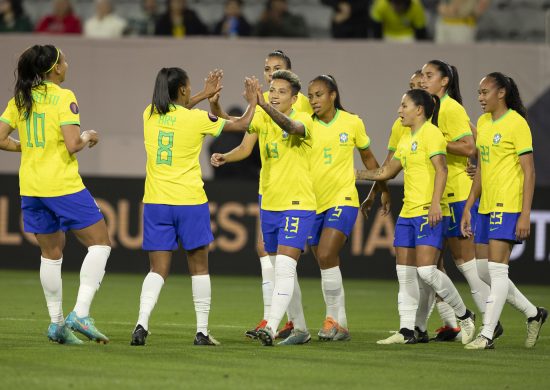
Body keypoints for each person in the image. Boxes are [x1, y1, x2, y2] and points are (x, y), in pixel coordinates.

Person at [130, 68, 259, 347]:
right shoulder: (198, 119)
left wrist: (203, 94)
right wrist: (253, 101)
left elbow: (177, 108)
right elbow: (242, 125)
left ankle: (141, 324)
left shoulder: (148, 114)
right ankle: (201, 332)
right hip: (189, 202)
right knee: (199, 268)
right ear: (184, 90)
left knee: (157, 269)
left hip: (156, 202)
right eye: (189, 88)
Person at [0, 45, 111, 345]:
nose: (67, 63)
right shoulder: (64, 96)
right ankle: (81, 314)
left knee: (51, 254)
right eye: (64, 59)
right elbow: (73, 143)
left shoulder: (20, 99)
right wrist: (89, 135)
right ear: (55, 69)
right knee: (101, 243)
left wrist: (29, 146)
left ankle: (57, 324)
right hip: (60, 184)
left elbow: (0, 138)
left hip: (31, 187)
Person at [356, 89, 476, 345]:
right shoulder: (406, 137)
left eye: (404, 105)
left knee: (428, 272)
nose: (399, 110)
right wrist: (354, 174)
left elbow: (441, 169)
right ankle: (407, 330)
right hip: (408, 213)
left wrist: (435, 205)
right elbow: (387, 171)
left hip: (428, 212)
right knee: (406, 274)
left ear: (419, 110)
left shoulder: (431, 133)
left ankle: (465, 315)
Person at [210, 50, 312, 341]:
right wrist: (225, 154)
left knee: (284, 264)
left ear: (293, 93)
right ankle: (298, 326)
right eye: (268, 72)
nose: (271, 78)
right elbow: (239, 128)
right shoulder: (266, 109)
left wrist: (265, 103)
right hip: (270, 198)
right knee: (275, 261)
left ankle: (271, 323)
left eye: (278, 73)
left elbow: (292, 126)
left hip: (299, 199)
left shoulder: (303, 111)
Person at [461, 72, 547, 349]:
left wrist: (524, 214)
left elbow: (529, 172)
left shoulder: (517, 123)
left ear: (501, 93)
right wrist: (468, 206)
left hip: (508, 204)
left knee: (497, 271)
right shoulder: (484, 124)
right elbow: (482, 169)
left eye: (485, 92)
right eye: (479, 92)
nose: (480, 97)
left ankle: (487, 335)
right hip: (485, 206)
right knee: (485, 271)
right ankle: (533, 313)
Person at [307, 75, 390, 341]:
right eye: (310, 96)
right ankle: (340, 323)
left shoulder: (352, 122)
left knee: (327, 253)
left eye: (318, 94)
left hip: (343, 198)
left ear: (332, 95)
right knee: (323, 261)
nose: (313, 100)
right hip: (312, 202)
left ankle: (332, 320)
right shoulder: (305, 125)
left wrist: (381, 189)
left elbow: (369, 160)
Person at [419, 60, 493, 342]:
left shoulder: (450, 108)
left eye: (429, 76)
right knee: (440, 264)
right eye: (422, 76)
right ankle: (451, 322)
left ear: (445, 81)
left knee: (467, 264)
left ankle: (489, 323)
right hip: (443, 195)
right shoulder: (434, 109)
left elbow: (470, 145)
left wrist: (439, 143)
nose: (424, 81)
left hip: (459, 194)